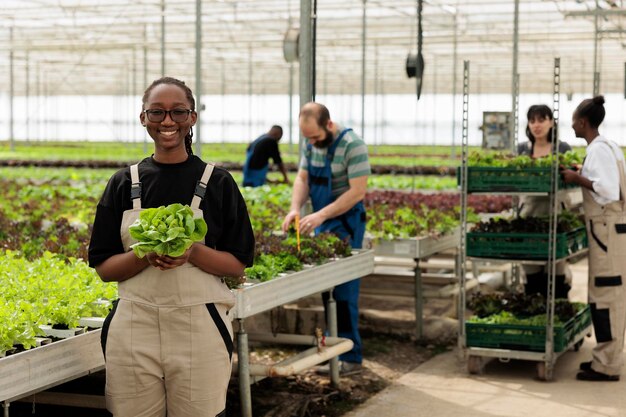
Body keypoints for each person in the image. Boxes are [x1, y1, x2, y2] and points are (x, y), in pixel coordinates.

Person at [88, 76, 255, 416]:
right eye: (157, 112)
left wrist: (192, 252)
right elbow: (105, 268)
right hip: (134, 325)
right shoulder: (123, 183)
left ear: (192, 118)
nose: (167, 122)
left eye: (178, 112)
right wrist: (145, 256)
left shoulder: (218, 182)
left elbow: (237, 263)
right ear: (143, 118)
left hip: (199, 323)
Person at [281, 102, 370, 375]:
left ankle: (351, 356)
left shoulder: (353, 145)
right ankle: (333, 349)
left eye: (316, 137)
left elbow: (357, 192)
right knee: (328, 289)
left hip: (346, 222)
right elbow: (302, 179)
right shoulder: (312, 144)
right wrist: (296, 208)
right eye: (307, 138)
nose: (311, 142)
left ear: (329, 125)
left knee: (343, 291)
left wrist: (320, 216)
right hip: (322, 221)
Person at [562, 95, 626, 382]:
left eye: (574, 119)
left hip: (606, 230)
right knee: (606, 295)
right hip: (611, 230)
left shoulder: (599, 150)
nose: (572, 125)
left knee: (606, 295)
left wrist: (577, 180)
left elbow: (608, 191)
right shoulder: (608, 146)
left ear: (583, 122)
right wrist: (582, 173)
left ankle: (608, 365)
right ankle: (604, 357)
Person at [516, 104, 573, 299]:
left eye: (541, 120)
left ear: (551, 122)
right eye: (532, 121)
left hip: (555, 217)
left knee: (557, 280)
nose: (536, 125)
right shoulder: (522, 150)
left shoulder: (562, 148)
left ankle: (556, 319)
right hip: (528, 217)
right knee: (532, 280)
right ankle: (535, 318)